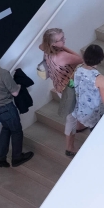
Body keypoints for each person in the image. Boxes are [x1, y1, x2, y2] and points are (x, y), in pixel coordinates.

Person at [39, 28, 83, 157]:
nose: (64, 40)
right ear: (53, 43)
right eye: (61, 39)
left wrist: (60, 45)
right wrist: (64, 48)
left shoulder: (46, 49)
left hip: (58, 86)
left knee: (74, 111)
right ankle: (69, 148)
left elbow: (41, 45)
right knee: (71, 118)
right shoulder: (62, 56)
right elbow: (79, 59)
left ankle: (80, 126)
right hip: (68, 90)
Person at [0, 45, 33, 168]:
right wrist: (20, 84)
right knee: (16, 131)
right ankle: (17, 157)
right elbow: (15, 92)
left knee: (6, 128)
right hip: (6, 107)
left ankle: (0, 159)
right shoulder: (2, 73)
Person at [72, 45, 104, 131]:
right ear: (100, 59)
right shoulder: (99, 78)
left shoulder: (78, 69)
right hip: (93, 115)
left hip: (80, 110)